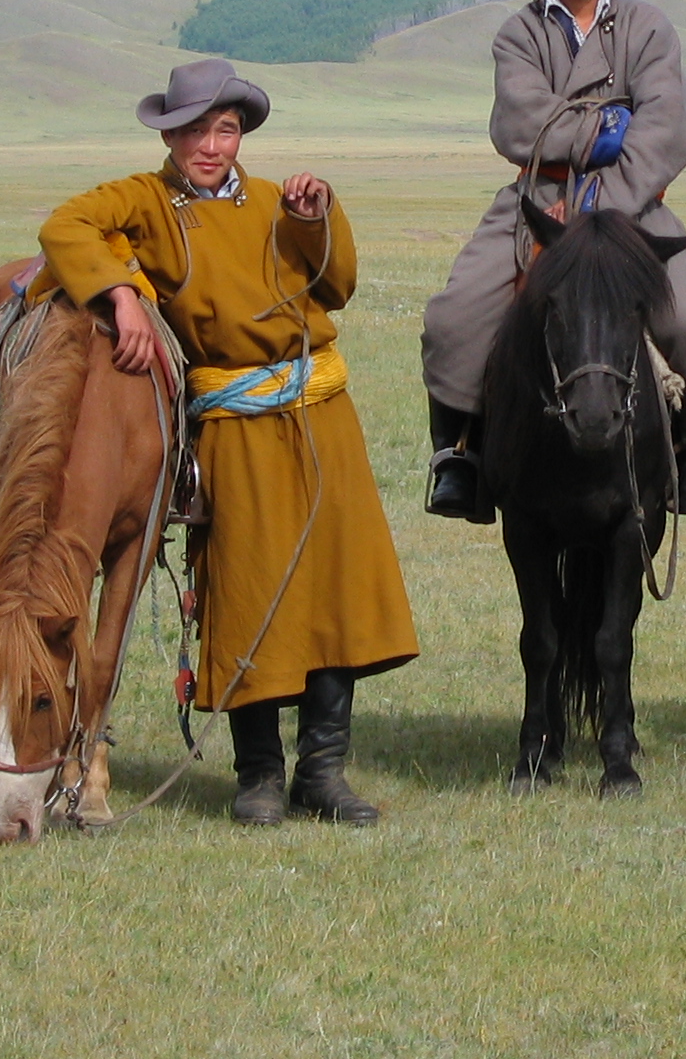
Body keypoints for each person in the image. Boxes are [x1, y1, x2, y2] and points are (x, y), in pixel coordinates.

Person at [34, 58, 418, 826]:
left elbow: (336, 285)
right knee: (249, 590)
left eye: (226, 129)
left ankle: (324, 772)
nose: (211, 145)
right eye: (194, 131)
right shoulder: (144, 200)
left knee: (333, 586)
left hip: (321, 410)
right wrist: (122, 292)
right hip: (236, 422)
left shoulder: (278, 199)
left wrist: (316, 216)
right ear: (168, 134)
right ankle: (260, 776)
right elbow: (63, 226)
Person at [420, 0, 686, 523]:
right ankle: (461, 452)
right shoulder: (519, 34)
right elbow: (520, 122)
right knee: (455, 316)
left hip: (633, 205)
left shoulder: (649, 30)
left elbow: (667, 129)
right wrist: (607, 125)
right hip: (537, 201)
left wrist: (601, 195)